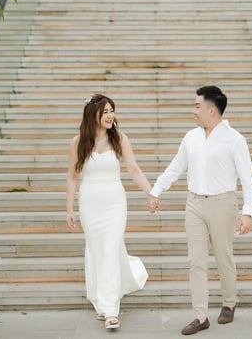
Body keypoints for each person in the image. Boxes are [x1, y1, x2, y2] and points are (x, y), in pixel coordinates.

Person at [147, 86, 252, 335]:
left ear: (211, 109)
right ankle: (200, 316)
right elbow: (176, 167)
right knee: (196, 261)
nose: (193, 110)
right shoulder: (191, 137)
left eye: (197, 106)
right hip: (194, 204)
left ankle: (229, 303)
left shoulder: (235, 140)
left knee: (223, 257)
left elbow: (248, 179)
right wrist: (156, 191)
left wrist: (247, 212)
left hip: (223, 204)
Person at [66, 93, 151, 330]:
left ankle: (111, 310)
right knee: (97, 251)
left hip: (115, 203)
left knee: (111, 249)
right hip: (90, 204)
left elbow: (134, 170)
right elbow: (73, 178)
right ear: (92, 115)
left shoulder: (120, 139)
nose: (110, 115)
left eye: (112, 110)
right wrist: (69, 209)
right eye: (105, 111)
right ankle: (100, 298)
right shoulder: (78, 142)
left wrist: (150, 193)